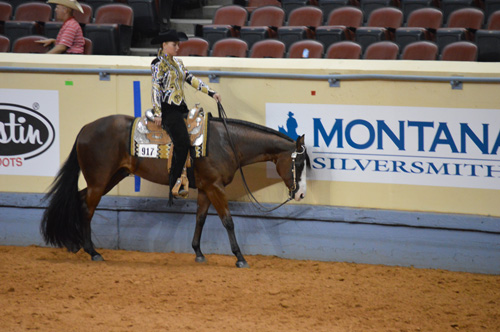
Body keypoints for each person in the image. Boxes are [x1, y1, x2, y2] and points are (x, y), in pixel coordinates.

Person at [150, 29, 221, 202]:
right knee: (182, 143)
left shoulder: (179, 63)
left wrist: (211, 93)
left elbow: (191, 79)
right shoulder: (158, 63)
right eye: (174, 45)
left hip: (181, 107)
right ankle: (174, 183)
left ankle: (191, 176)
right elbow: (155, 88)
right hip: (168, 110)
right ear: (164, 45)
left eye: (178, 45)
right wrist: (158, 112)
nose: (178, 48)